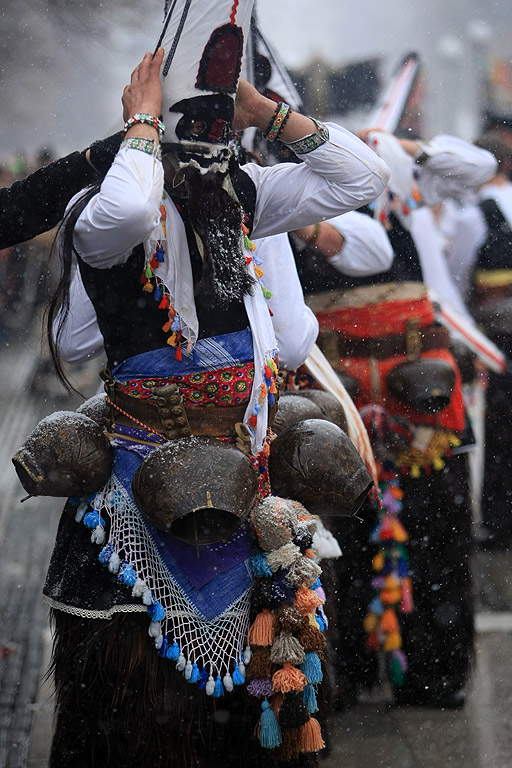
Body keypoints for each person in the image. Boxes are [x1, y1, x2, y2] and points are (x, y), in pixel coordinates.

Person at [34, 10, 389, 761]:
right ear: (147, 133)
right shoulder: (96, 210)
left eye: (221, 136)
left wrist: (269, 111)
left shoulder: (243, 198)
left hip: (242, 465)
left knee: (253, 688)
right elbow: (130, 206)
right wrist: (142, 123)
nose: (211, 155)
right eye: (197, 136)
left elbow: (362, 178)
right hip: (135, 476)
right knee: (127, 701)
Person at [296, 127, 496, 709]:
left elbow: (478, 166)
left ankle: (433, 671)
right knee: (338, 535)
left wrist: (403, 148)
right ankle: (348, 669)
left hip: (421, 392)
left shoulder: (403, 180)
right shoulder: (294, 192)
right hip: (335, 390)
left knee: (436, 532)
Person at [447, 132, 512, 546]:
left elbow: (454, 281)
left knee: (502, 432)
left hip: (500, 337)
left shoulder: (474, 216)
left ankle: (500, 522)